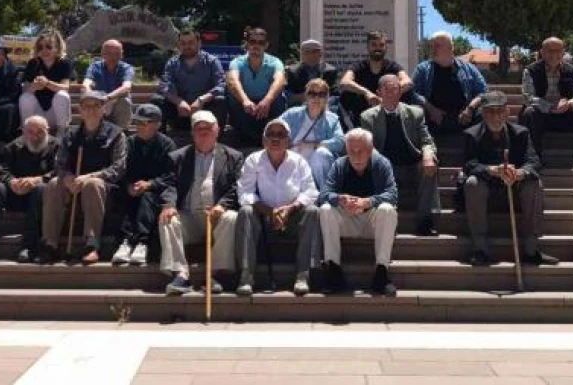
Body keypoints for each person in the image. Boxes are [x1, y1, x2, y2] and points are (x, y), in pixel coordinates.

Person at [461, 91, 558, 267]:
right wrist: (491, 170)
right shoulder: (472, 134)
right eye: (490, 111)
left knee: (535, 182)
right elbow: (469, 165)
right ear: (483, 113)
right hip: (487, 190)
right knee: (472, 183)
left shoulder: (521, 133)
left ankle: (531, 249)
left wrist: (520, 173)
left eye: (499, 111)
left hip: (515, 189)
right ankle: (480, 249)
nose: (495, 116)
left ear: (507, 112)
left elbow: (534, 162)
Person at [158, 110, 241, 295]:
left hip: (216, 216)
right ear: (192, 133)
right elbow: (168, 184)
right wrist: (169, 205)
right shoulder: (177, 157)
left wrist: (223, 205)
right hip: (190, 216)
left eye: (208, 128)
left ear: (217, 130)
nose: (204, 133)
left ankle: (216, 274)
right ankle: (180, 274)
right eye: (199, 129)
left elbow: (237, 186)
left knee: (232, 217)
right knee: (167, 219)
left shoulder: (233, 157)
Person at [39, 91, 127, 265]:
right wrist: (67, 178)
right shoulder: (71, 135)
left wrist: (91, 176)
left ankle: (92, 245)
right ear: (80, 110)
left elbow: (119, 168)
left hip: (105, 189)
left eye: (97, 105)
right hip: (73, 184)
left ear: (104, 109)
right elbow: (60, 163)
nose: (91, 110)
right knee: (54, 183)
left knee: (92, 184)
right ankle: (50, 243)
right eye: (87, 106)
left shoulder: (116, 135)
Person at [236, 119, 321, 297]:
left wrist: (289, 209)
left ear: (288, 141)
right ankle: (246, 277)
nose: (276, 139)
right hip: (263, 217)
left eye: (281, 135)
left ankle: (302, 276)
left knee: (312, 211)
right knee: (245, 211)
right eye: (271, 135)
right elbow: (245, 192)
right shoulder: (253, 160)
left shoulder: (299, 161)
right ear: (263, 140)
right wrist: (269, 211)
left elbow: (311, 192)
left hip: (292, 217)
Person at [318, 128, 399, 296]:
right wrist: (340, 199)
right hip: (347, 220)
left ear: (370, 150)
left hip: (373, 223)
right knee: (325, 209)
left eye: (360, 151)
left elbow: (392, 195)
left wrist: (368, 201)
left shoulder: (382, 163)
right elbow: (323, 195)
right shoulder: (339, 164)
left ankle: (382, 273)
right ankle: (333, 270)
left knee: (388, 209)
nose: (356, 156)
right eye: (351, 151)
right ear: (346, 150)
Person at [0, 115, 59, 264]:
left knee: (40, 188)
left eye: (40, 132)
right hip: (16, 193)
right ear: (23, 131)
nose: (35, 136)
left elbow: (60, 171)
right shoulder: (12, 147)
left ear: (48, 130)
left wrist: (36, 180)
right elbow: (1, 171)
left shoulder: (57, 146)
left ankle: (29, 246)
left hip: (40, 198)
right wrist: (12, 182)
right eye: (30, 131)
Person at [361, 74, 439, 236]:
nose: (391, 93)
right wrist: (382, 164)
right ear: (379, 92)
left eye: (395, 89)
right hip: (387, 166)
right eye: (387, 90)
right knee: (374, 167)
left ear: (400, 92)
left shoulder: (415, 113)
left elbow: (427, 140)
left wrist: (427, 155)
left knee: (430, 166)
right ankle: (388, 222)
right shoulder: (368, 117)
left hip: (412, 163)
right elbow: (368, 147)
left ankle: (425, 221)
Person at [111, 104, 176, 267]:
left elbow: (171, 175)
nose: (139, 126)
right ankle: (125, 242)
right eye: (137, 122)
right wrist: (128, 185)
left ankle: (142, 243)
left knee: (147, 198)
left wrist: (150, 184)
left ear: (156, 124)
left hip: (154, 191)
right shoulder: (129, 142)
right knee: (120, 194)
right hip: (132, 188)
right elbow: (121, 168)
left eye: (144, 122)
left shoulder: (167, 145)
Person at [519, 36, 573, 158]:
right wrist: (550, 106)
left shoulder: (572, 71)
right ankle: (533, 159)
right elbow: (528, 97)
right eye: (550, 50)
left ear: (563, 53)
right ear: (542, 52)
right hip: (542, 117)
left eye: (558, 51)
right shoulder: (531, 71)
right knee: (529, 113)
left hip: (566, 116)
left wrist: (569, 104)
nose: (554, 54)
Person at [410, 31, 487, 134]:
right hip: (433, 119)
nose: (432, 49)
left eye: (436, 45)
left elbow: (483, 91)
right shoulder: (422, 69)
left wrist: (470, 108)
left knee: (485, 111)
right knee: (416, 111)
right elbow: (413, 92)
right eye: (431, 46)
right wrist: (431, 109)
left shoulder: (468, 68)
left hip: (464, 118)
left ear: (451, 48)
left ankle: (474, 146)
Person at [151, 28, 227, 133]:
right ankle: (160, 142)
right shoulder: (172, 63)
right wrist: (178, 101)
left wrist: (202, 100)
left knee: (220, 101)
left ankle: (216, 139)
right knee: (157, 100)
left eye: (191, 43)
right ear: (179, 45)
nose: (187, 46)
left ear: (199, 43)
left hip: (204, 112)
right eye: (183, 43)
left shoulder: (212, 61)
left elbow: (221, 85)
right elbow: (163, 87)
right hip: (180, 112)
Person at [337, 31, 414, 129]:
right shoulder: (359, 66)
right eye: (374, 45)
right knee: (346, 94)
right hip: (361, 114)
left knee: (409, 93)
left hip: (387, 112)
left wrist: (388, 94)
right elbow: (344, 83)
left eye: (381, 45)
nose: (378, 48)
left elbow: (408, 82)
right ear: (368, 47)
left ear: (386, 47)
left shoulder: (392, 66)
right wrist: (366, 93)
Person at [278, 78, 346, 188]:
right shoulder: (292, 114)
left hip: (318, 165)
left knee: (321, 153)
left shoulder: (332, 119)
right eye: (312, 93)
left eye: (321, 94)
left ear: (327, 97)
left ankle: (325, 194)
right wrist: (285, 143)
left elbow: (340, 142)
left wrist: (314, 145)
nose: (316, 98)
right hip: (293, 160)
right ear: (306, 96)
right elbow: (274, 130)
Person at [226, 27, 287, 146]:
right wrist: (244, 100)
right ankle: (243, 138)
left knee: (279, 96)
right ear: (247, 44)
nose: (256, 45)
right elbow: (233, 80)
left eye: (261, 43)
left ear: (266, 45)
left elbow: (280, 80)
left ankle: (272, 135)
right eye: (253, 42)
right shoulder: (237, 62)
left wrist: (267, 100)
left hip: (266, 104)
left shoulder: (275, 62)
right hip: (246, 103)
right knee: (231, 93)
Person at [18, 30, 75, 132]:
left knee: (62, 95)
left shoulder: (64, 63)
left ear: (57, 47)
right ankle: (27, 131)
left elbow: (65, 87)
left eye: (48, 46)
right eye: (40, 47)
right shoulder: (33, 63)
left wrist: (47, 83)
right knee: (25, 97)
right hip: (37, 112)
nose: (44, 50)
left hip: (55, 113)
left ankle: (61, 133)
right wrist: (34, 87)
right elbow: (25, 89)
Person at [82, 39, 136, 130]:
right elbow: (86, 84)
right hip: (99, 105)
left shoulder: (126, 68)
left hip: (116, 105)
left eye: (117, 54)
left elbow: (126, 87)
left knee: (125, 101)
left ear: (122, 54)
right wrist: (93, 97)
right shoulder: (95, 67)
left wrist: (108, 98)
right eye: (110, 53)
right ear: (103, 54)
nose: (113, 57)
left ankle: (120, 134)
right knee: (90, 102)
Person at [284, 39, 340, 107]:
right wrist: (304, 97)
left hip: (325, 107)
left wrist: (320, 100)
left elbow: (335, 95)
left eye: (315, 52)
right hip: (300, 107)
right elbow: (287, 94)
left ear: (320, 54)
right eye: (307, 52)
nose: (311, 55)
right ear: (302, 54)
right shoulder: (293, 71)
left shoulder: (330, 71)